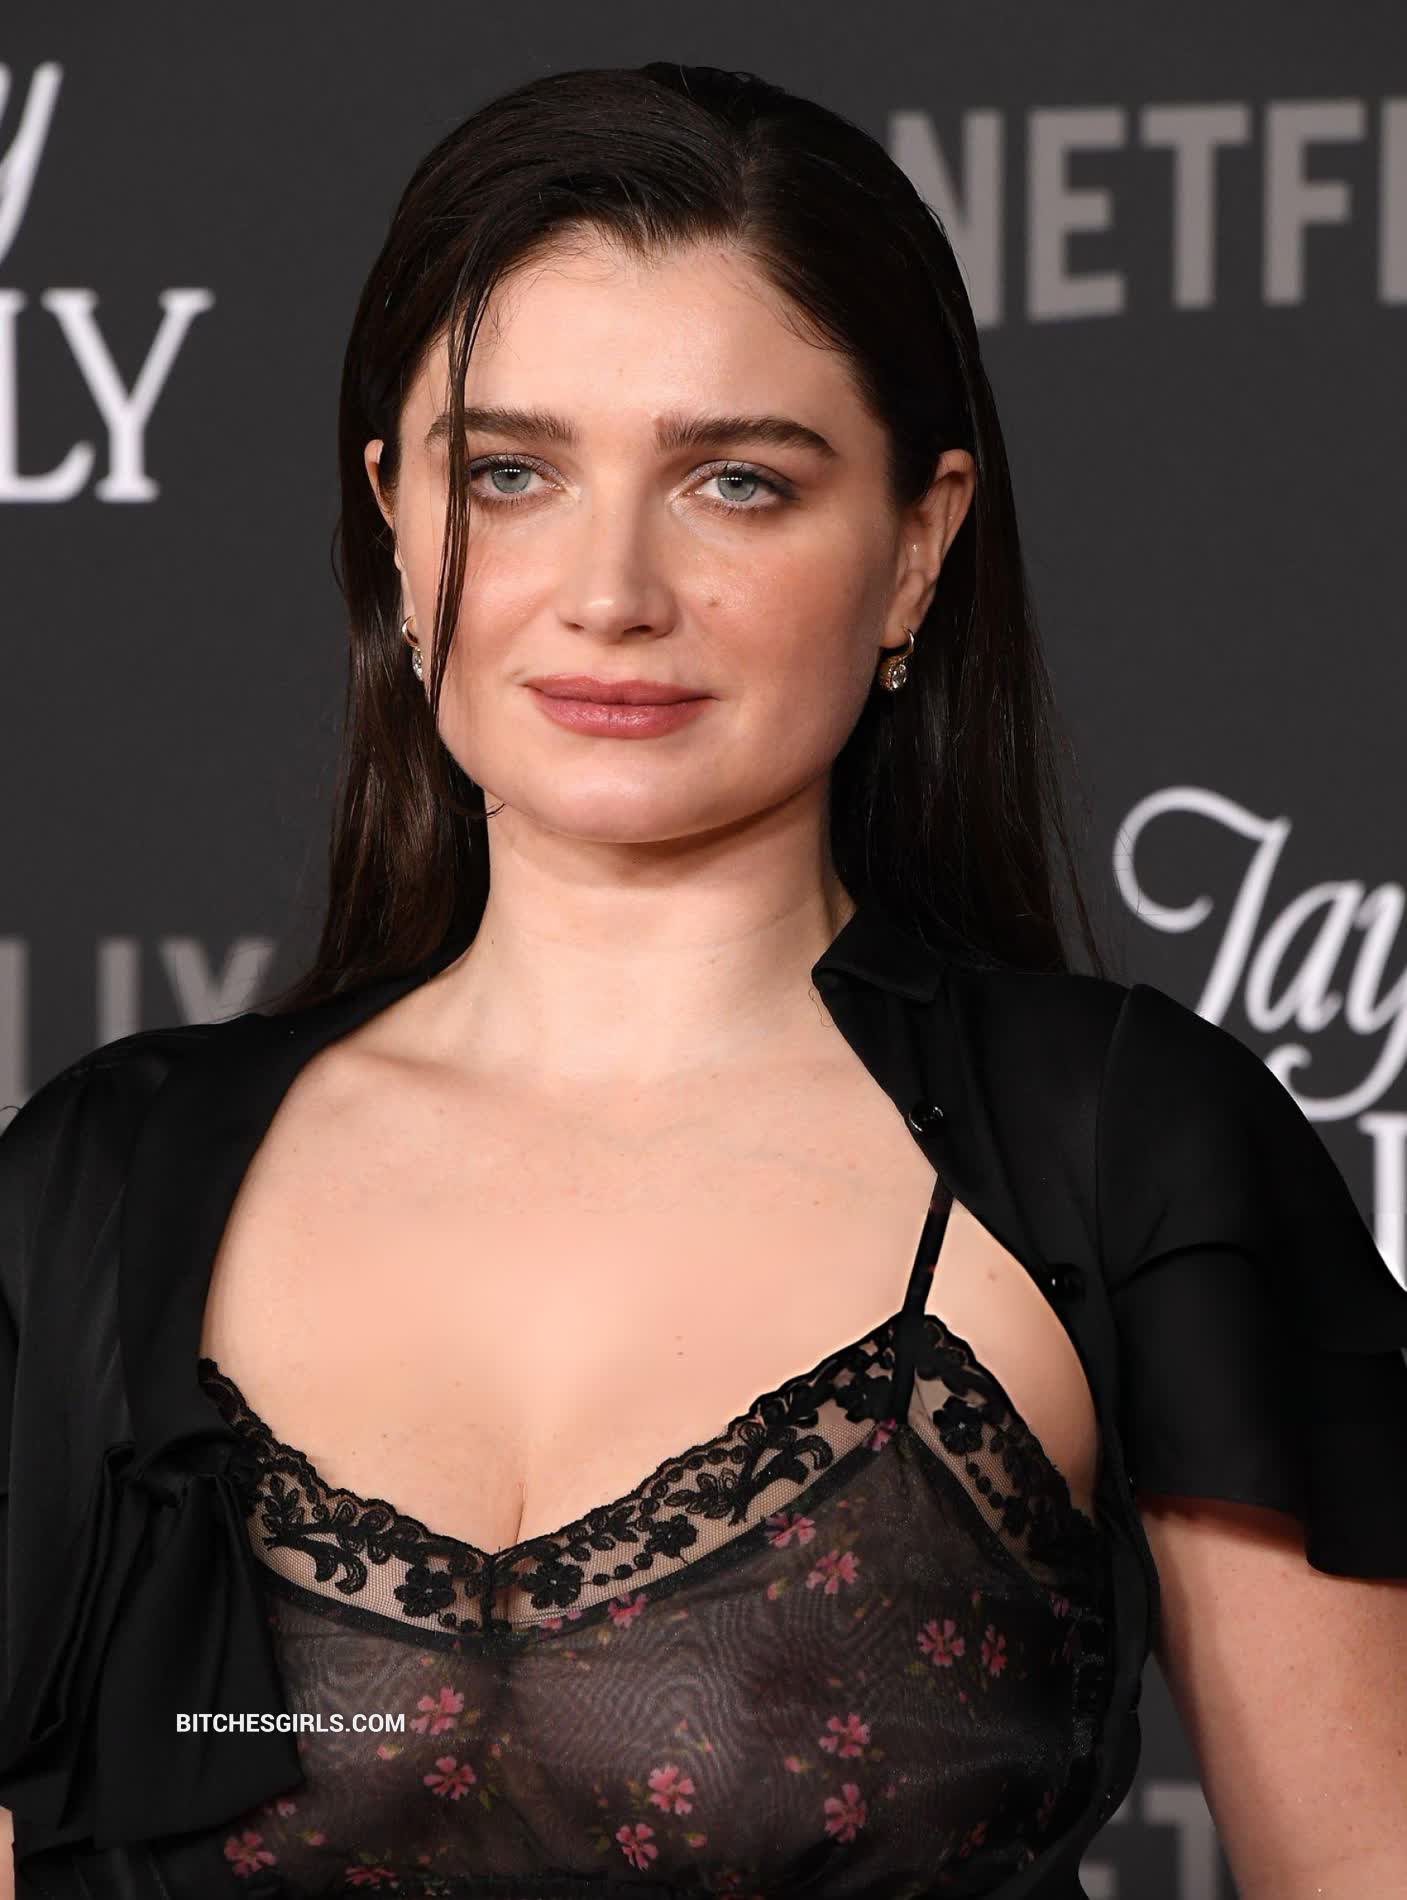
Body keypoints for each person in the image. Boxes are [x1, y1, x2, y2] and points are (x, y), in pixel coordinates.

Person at [1, 58, 1405, 1900]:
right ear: (395, 519)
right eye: (511, 473)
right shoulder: (97, 1185)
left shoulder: (1125, 1144)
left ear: (915, 547)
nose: (611, 590)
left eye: (736, 482)